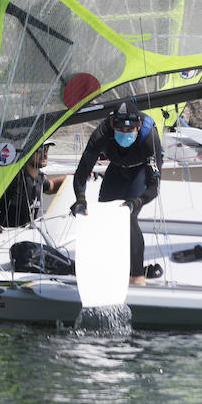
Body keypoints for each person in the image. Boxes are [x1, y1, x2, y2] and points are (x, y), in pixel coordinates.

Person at [70, 98, 163, 285]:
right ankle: (109, 266)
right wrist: (80, 198)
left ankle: (136, 276)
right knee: (104, 214)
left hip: (140, 171)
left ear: (138, 127)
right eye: (120, 130)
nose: (125, 134)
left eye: (130, 130)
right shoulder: (101, 134)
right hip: (117, 168)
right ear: (112, 124)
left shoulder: (149, 138)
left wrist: (136, 202)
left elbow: (154, 186)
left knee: (127, 216)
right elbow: (81, 171)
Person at [0, 141, 63, 228]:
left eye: (46, 149)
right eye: (40, 150)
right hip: (3, 236)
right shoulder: (13, 178)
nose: (45, 154)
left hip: (27, 235)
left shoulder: (39, 177)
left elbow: (52, 186)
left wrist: (76, 178)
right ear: (27, 151)